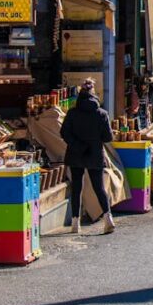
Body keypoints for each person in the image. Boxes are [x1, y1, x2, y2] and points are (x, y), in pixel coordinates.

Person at [60, 78, 115, 235]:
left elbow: (64, 133)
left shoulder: (72, 113)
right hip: (95, 153)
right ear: (94, 94)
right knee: (99, 187)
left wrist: (77, 144)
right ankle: (108, 218)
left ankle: (75, 223)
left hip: (76, 153)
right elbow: (108, 138)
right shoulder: (102, 114)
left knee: (77, 187)